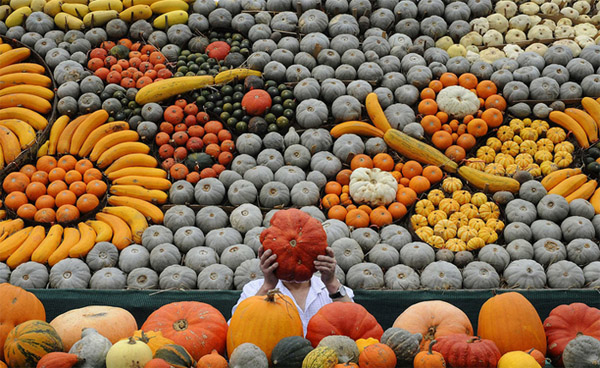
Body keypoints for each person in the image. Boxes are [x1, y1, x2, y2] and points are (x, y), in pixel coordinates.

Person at [231, 245, 354, 336]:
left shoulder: (332, 288)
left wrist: (332, 283)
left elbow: (356, 325)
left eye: (300, 257)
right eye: (286, 256)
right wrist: (268, 286)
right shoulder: (254, 289)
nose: (294, 263)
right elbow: (234, 330)